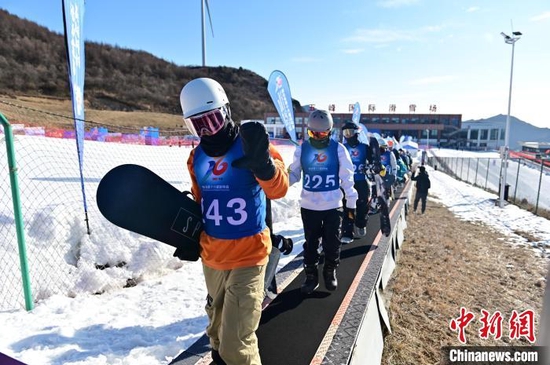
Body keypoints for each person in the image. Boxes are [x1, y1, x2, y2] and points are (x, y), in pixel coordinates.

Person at [180, 77, 289, 365]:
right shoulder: (196, 157)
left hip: (249, 256)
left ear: (226, 111)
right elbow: (200, 200)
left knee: (237, 343)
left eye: (212, 121)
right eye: (197, 125)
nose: (207, 131)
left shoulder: (251, 145)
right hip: (212, 256)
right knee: (216, 332)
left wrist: (263, 165)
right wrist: (189, 235)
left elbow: (279, 188)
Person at [288, 110, 358, 294]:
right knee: (310, 243)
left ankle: (330, 270)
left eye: (322, 133)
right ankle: (311, 275)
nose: (318, 137)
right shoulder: (302, 148)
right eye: (313, 133)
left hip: (332, 206)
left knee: (332, 242)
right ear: (308, 131)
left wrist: (351, 201)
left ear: (330, 131)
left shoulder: (338, 149)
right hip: (309, 206)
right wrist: (276, 183)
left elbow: (347, 178)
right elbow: (294, 173)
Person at [341, 122, 372, 241]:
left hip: (361, 182)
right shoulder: (342, 148)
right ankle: (347, 232)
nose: (348, 136)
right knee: (347, 207)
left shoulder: (365, 147)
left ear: (357, 133)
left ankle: (361, 224)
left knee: (362, 207)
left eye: (350, 133)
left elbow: (373, 162)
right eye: (345, 133)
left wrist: (371, 168)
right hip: (346, 183)